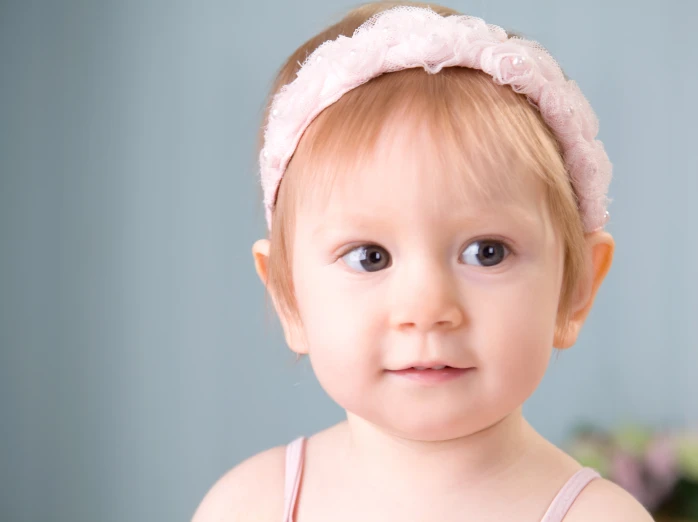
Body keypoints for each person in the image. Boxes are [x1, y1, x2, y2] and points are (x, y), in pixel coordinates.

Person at [194, 2, 653, 521]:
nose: (427, 307)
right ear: (290, 299)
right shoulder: (250, 505)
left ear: (576, 288)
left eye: (487, 252)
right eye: (370, 257)